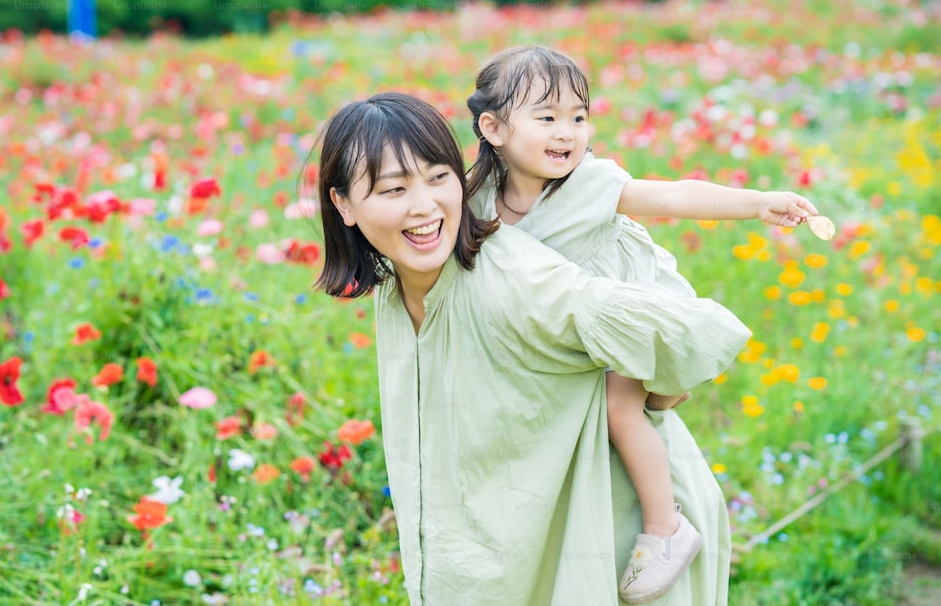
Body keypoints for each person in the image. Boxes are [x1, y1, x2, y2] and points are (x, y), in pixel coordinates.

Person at [314, 91, 751, 604]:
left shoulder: (514, 280)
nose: (425, 206)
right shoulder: (394, 284)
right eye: (394, 189)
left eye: (438, 177)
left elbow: (694, 332)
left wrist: (655, 394)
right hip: (527, 555)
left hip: (623, 548)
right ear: (343, 203)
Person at [465, 45, 819, 603]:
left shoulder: (591, 182)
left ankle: (665, 528)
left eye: (579, 117)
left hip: (622, 310)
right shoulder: (478, 198)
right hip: (562, 327)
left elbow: (675, 194)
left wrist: (758, 202)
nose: (568, 133)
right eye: (547, 117)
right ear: (493, 127)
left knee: (619, 409)